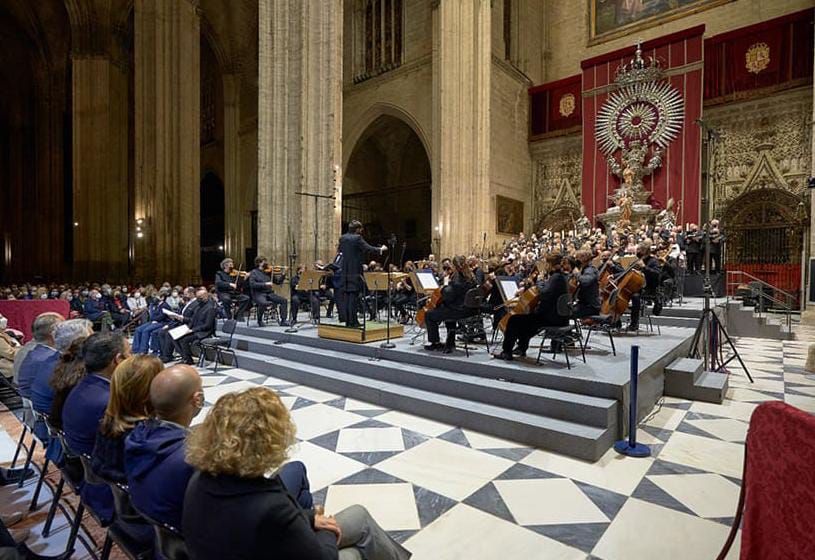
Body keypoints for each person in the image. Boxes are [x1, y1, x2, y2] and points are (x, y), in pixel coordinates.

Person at [183, 387, 410, 560]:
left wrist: (311, 518)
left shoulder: (199, 479)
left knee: (359, 516)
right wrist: (328, 529)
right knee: (358, 549)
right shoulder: (270, 506)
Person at [61, 331, 131, 522]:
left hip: (90, 475)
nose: (132, 359)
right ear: (118, 360)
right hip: (113, 493)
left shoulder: (82, 386)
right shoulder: (109, 402)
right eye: (130, 354)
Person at [92, 355, 163, 483]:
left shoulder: (107, 421)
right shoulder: (149, 439)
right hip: (128, 500)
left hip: (102, 491)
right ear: (150, 391)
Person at [495, 252, 569, 361]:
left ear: (550, 264)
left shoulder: (556, 277)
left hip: (551, 318)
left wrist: (539, 281)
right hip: (558, 317)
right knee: (527, 320)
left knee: (513, 320)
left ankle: (507, 352)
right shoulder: (561, 276)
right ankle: (521, 348)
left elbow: (544, 294)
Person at [336, 220, 387, 328]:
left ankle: (349, 321)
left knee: (349, 297)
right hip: (355, 271)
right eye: (361, 229)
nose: (362, 230)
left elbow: (341, 250)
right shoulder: (357, 238)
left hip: (345, 271)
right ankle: (353, 322)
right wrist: (380, 249)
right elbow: (368, 248)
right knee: (354, 297)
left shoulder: (343, 238)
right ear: (357, 229)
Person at [423, 255, 477, 354]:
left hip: (458, 311)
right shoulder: (472, 277)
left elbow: (448, 296)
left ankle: (436, 343)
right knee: (446, 310)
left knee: (429, 315)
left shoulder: (457, 279)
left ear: (455, 266)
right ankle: (450, 342)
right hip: (470, 310)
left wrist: (445, 284)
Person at [16, 313, 64, 398]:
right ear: (53, 333)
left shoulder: (32, 349)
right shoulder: (47, 358)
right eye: (64, 329)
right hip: (37, 404)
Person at [173, 287, 217, 365]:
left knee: (184, 339)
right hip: (194, 329)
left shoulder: (210, 308)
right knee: (175, 335)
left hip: (204, 332)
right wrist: (187, 328)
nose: (197, 300)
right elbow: (193, 320)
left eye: (200, 298)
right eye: (197, 298)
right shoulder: (199, 306)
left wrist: (192, 330)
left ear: (205, 296)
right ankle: (185, 357)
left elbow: (207, 325)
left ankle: (188, 360)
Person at [248, 257, 290, 327]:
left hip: (269, 293)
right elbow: (252, 284)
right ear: (259, 263)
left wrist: (283, 274)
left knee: (284, 300)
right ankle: (259, 320)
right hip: (258, 294)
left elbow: (278, 282)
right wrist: (265, 284)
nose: (266, 263)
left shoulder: (268, 272)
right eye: (264, 261)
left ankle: (283, 320)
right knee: (263, 303)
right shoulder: (254, 272)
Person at [574, 250, 601, 318]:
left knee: (564, 313)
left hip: (590, 307)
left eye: (577, 258)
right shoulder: (585, 269)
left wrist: (576, 273)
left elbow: (585, 282)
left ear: (584, 259)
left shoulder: (590, 270)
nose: (576, 260)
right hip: (585, 304)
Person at [0, 314, 21, 379]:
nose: (4, 319)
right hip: (6, 367)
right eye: (1, 318)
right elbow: (10, 354)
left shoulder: (3, 334)